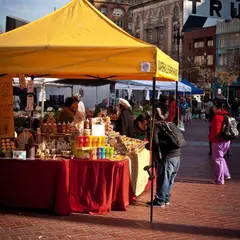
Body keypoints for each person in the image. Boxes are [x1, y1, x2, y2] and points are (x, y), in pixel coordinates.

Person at [147, 95, 182, 207]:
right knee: (170, 178)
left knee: (163, 178)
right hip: (177, 154)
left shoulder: (157, 126)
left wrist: (148, 146)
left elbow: (155, 143)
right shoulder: (170, 123)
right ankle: (166, 197)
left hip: (167, 155)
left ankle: (160, 200)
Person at [208, 100, 231, 184]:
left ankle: (219, 179)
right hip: (226, 140)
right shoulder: (227, 115)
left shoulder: (217, 117)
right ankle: (225, 174)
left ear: (218, 108)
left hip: (218, 141)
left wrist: (210, 137)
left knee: (217, 159)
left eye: (214, 107)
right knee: (221, 158)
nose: (213, 108)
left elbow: (215, 131)